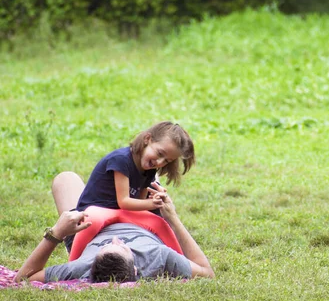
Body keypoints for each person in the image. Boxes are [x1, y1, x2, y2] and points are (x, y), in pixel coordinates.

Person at [14, 172, 214, 283]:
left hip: (89, 227)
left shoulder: (81, 267)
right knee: (148, 173)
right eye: (122, 246)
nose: (114, 239)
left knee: (66, 179)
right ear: (136, 269)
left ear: (92, 264)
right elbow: (207, 271)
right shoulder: (158, 256)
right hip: (143, 220)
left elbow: (23, 279)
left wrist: (56, 233)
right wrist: (172, 217)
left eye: (106, 246)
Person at [65, 121, 195, 253]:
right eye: (160, 153)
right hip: (90, 220)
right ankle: (73, 261)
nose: (160, 162)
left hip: (118, 220)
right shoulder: (121, 160)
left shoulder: (149, 170)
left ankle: (180, 258)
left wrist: (157, 199)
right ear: (147, 139)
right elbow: (124, 202)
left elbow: (139, 204)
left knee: (160, 222)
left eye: (167, 161)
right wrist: (152, 203)